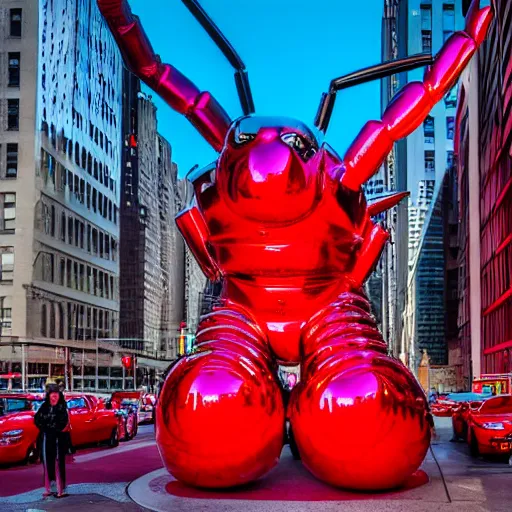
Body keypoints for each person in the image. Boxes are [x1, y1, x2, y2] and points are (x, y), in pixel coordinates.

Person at [34, 384, 69, 498]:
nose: (54, 398)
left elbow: (64, 422)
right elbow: (37, 419)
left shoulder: (62, 407)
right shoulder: (44, 406)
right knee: (47, 462)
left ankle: (61, 489)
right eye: (52, 395)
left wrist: (54, 428)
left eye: (56, 395)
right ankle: (50, 488)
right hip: (47, 437)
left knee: (59, 462)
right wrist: (45, 427)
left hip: (58, 438)